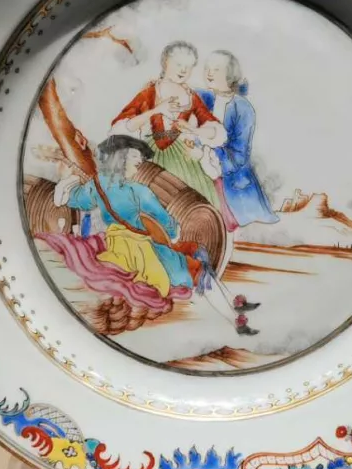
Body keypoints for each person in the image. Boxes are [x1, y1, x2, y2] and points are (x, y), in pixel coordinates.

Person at [55, 135, 259, 335]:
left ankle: (233, 303)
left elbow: (75, 200)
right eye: (135, 156)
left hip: (116, 247)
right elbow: (165, 223)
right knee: (197, 266)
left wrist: (67, 180)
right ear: (121, 158)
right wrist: (174, 233)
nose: (140, 162)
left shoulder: (97, 185)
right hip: (142, 251)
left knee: (197, 255)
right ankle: (235, 319)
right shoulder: (138, 191)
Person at [108, 42, 228, 209]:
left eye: (188, 67)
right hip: (151, 158)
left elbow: (215, 130)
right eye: (178, 64)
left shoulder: (191, 97)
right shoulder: (149, 93)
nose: (183, 70)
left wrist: (193, 129)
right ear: (166, 62)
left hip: (185, 159)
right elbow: (123, 127)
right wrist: (156, 110)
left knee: (192, 205)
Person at [196, 50, 280, 229]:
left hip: (232, 182)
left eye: (216, 69)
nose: (209, 73)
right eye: (207, 68)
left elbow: (239, 156)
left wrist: (210, 155)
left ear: (230, 74)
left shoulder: (243, 108)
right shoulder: (203, 97)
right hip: (199, 170)